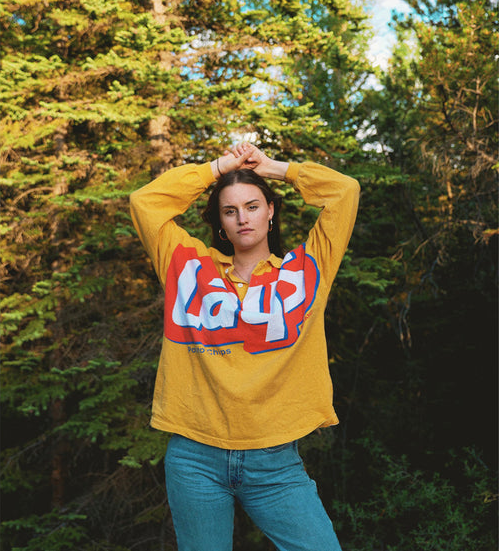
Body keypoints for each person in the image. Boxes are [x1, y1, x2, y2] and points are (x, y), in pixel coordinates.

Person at [129, 142, 359, 550]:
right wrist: (217, 169)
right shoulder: (186, 266)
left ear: (271, 211)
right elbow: (144, 202)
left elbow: (345, 191)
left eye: (253, 206)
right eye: (230, 210)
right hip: (194, 458)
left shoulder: (308, 270)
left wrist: (274, 167)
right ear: (220, 222)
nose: (242, 219)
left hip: (275, 463)